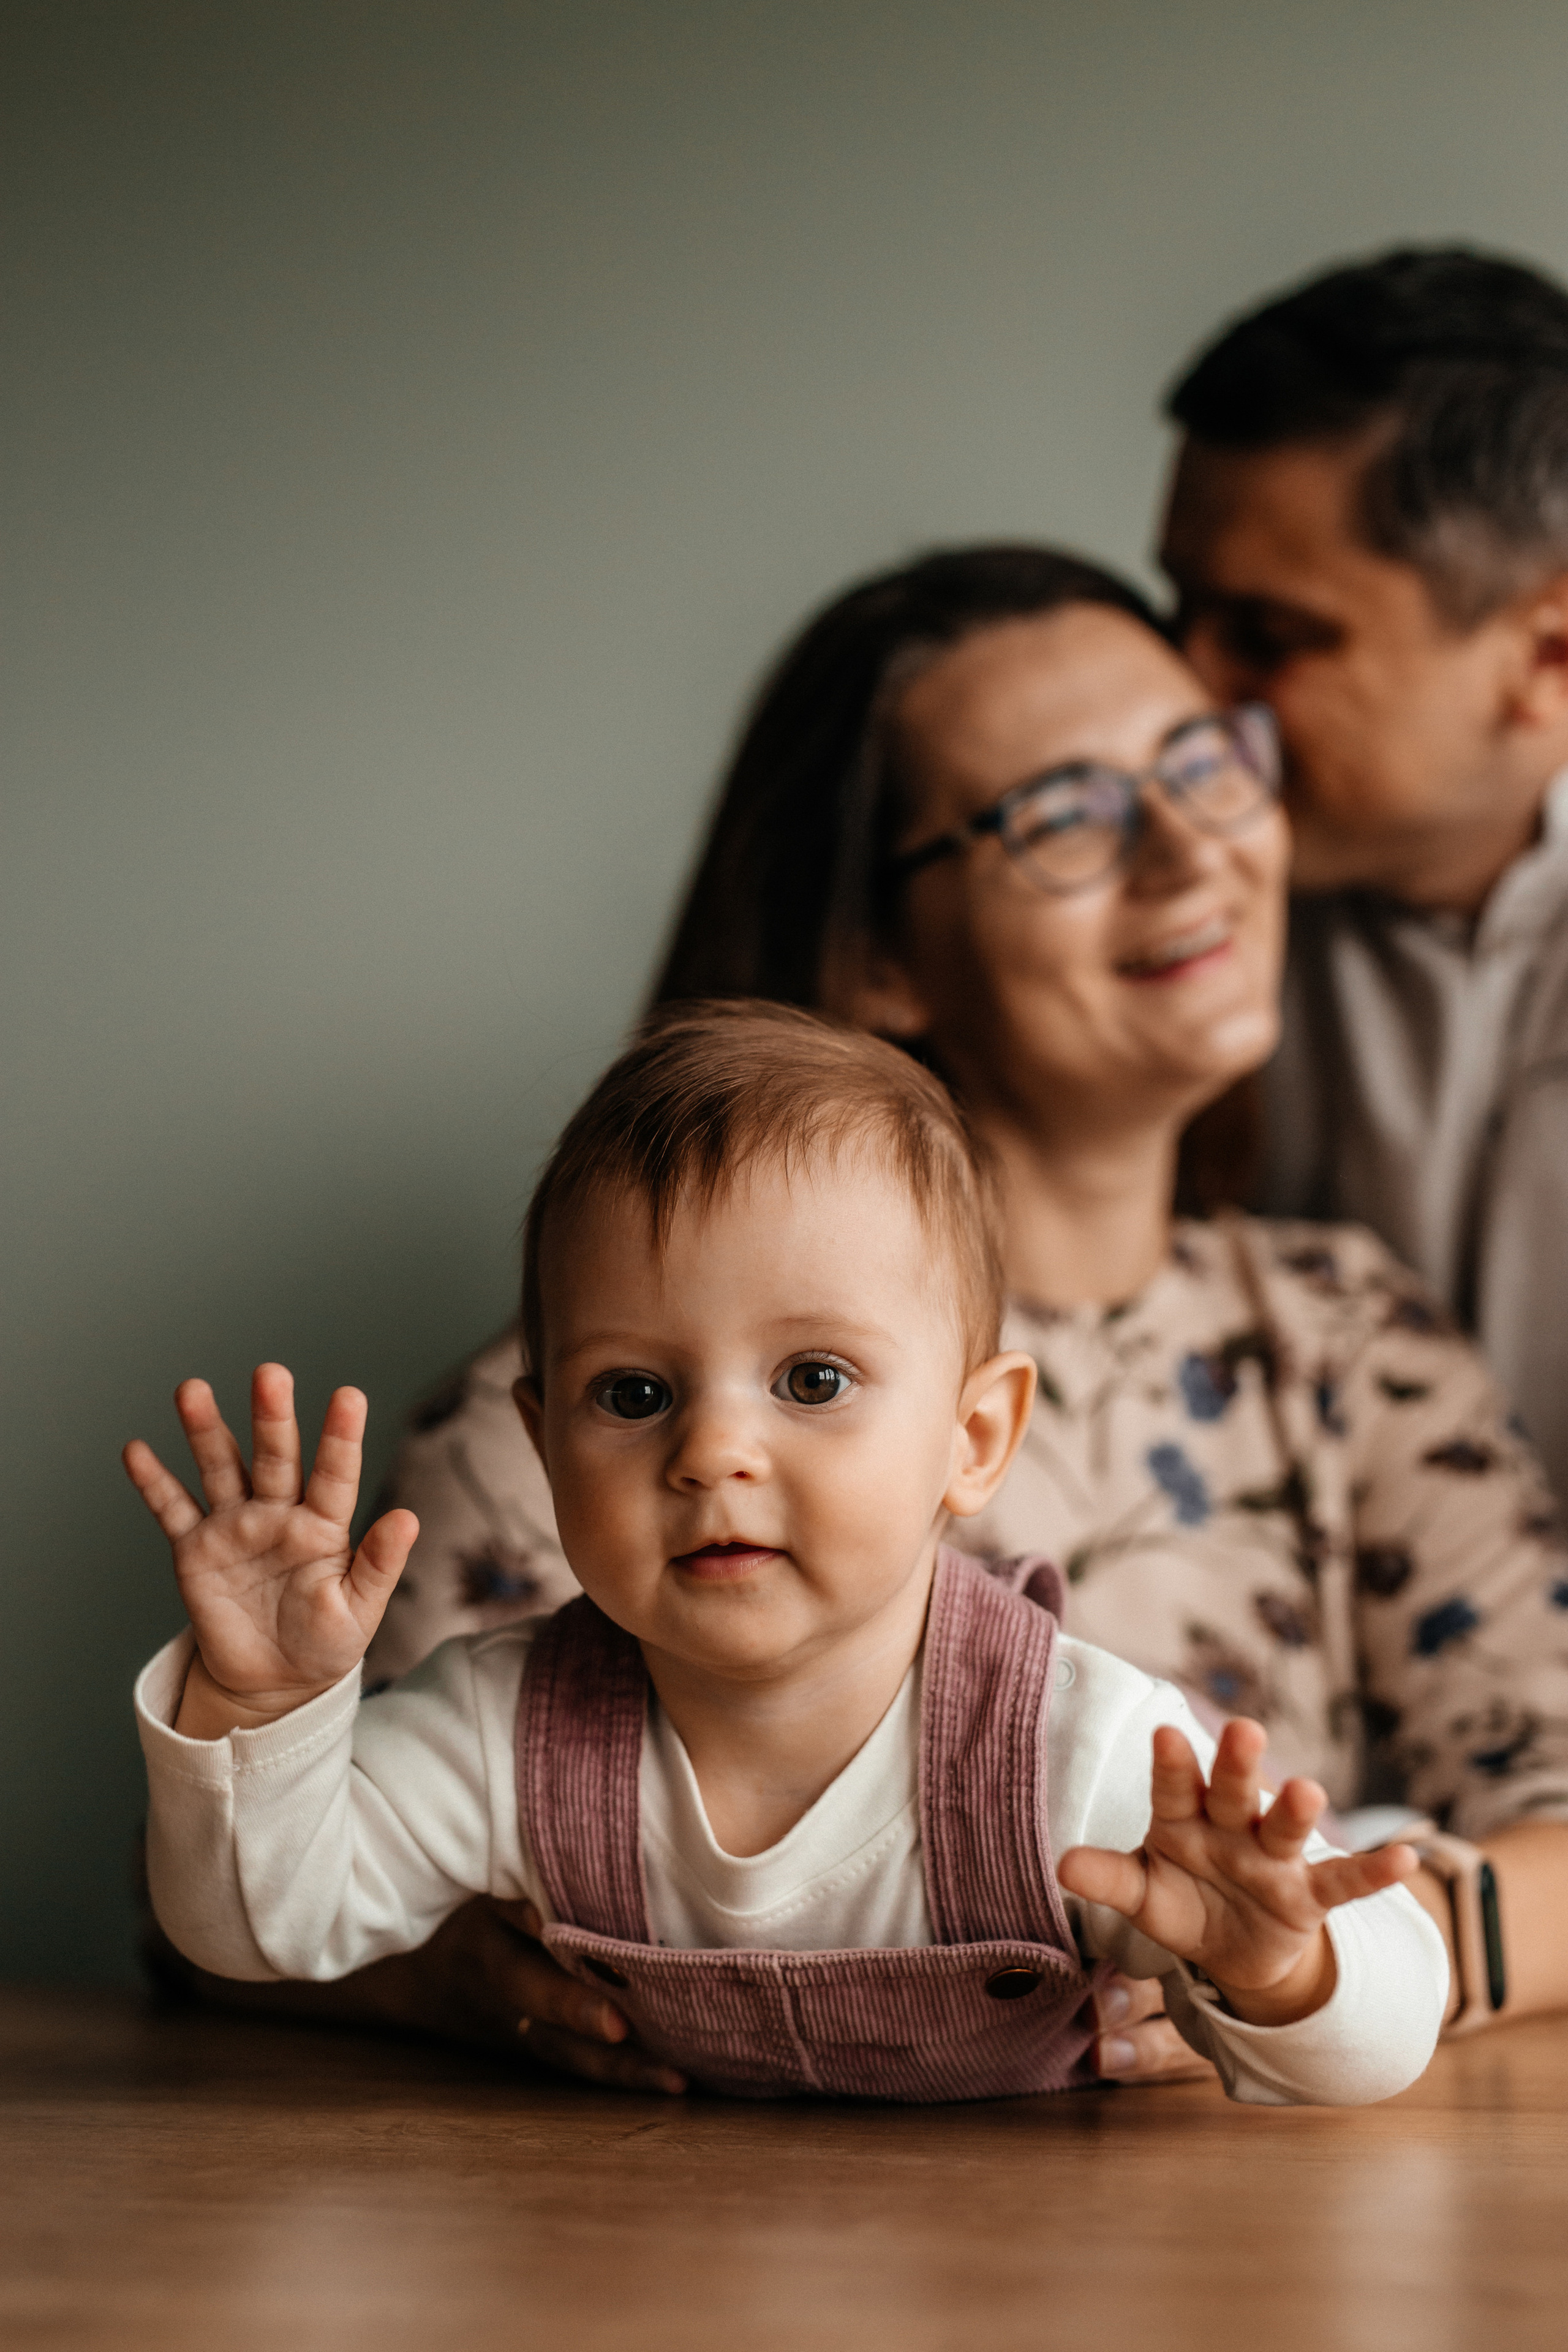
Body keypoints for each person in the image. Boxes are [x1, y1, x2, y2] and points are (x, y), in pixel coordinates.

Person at [346, 545, 1568, 2089]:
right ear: (875, 953)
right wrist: (444, 1982)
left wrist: (1275, 1972)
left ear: (984, 1424)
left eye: (1200, 763)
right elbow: (255, 1888)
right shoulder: (554, 1432)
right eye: (1063, 815)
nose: (1189, 850)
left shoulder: (1349, 1344)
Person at [127, 1006, 1447, 2107]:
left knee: (1351, 1852)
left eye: (811, 1378)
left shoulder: (1076, 1753)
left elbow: (1377, 2049)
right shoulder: (500, 1727)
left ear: (971, 1436)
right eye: (632, 1396)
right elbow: (256, 1933)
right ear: (542, 1445)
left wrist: (1278, 1973)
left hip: (1019, 2269)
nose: (711, 1453)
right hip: (664, 2264)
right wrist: (261, 1706)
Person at [1158, 244, 1568, 1510]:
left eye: (1266, 638)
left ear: (1545, 654)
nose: (1182, 689)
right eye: (1175, 613)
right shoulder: (1137, 928)